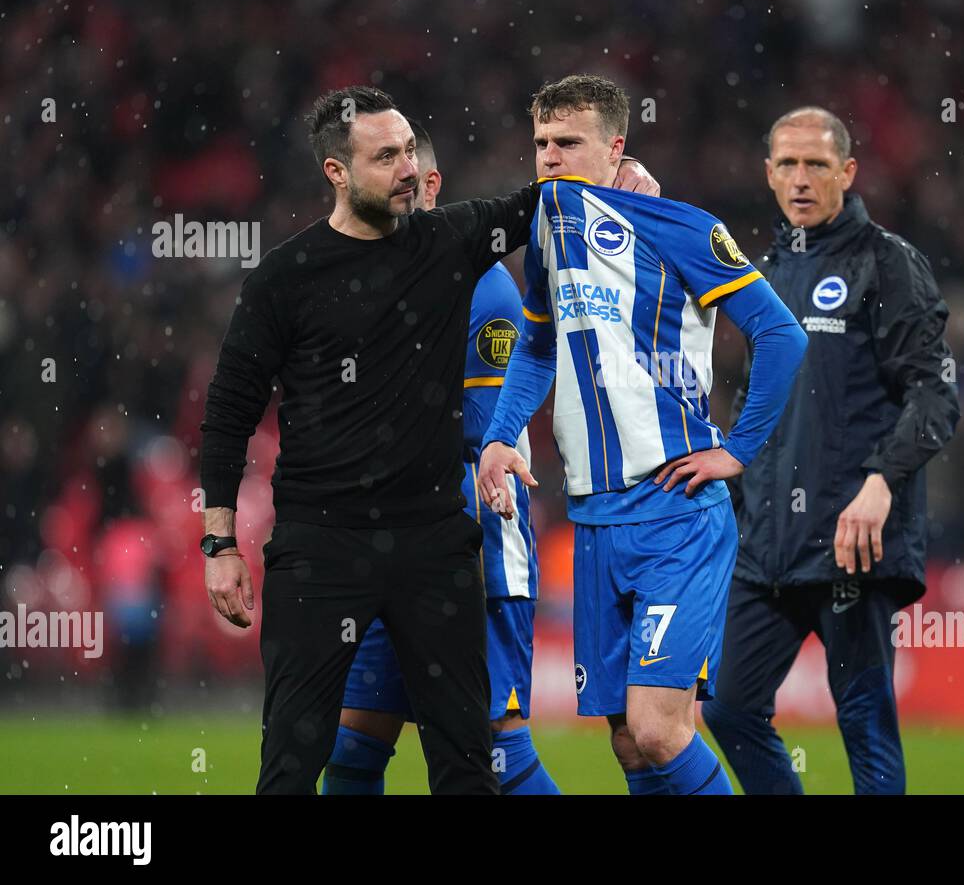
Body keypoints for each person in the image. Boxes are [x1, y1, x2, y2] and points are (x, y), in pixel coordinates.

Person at [199, 86, 656, 794]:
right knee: (299, 760)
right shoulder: (284, 279)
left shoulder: (449, 246)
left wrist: (622, 183)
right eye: (387, 157)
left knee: (473, 763)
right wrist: (221, 544)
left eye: (411, 150)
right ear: (337, 173)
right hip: (321, 548)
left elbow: (542, 199)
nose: (409, 169)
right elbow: (228, 413)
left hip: (435, 547)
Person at [476, 74, 808, 795]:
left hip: (675, 514)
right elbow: (536, 345)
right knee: (630, 744)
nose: (551, 158)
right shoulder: (548, 234)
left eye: (569, 143)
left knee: (661, 729)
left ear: (616, 146)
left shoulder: (681, 226)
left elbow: (780, 334)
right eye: (541, 144)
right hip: (595, 521)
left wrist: (738, 450)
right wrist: (502, 434)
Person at [701, 107, 960, 794]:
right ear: (767, 174)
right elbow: (760, 405)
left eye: (817, 163)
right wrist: (735, 494)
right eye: (786, 163)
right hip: (769, 545)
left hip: (852, 543)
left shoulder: (888, 263)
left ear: (847, 171)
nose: (800, 178)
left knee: (865, 725)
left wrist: (880, 483)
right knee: (727, 707)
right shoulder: (765, 274)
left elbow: (935, 396)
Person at [321, 122, 559, 795]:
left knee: (495, 752)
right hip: (389, 543)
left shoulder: (482, 290)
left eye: (408, 180)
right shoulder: (363, 285)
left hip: (470, 539)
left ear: (433, 187)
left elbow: (485, 443)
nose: (394, 193)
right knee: (354, 743)